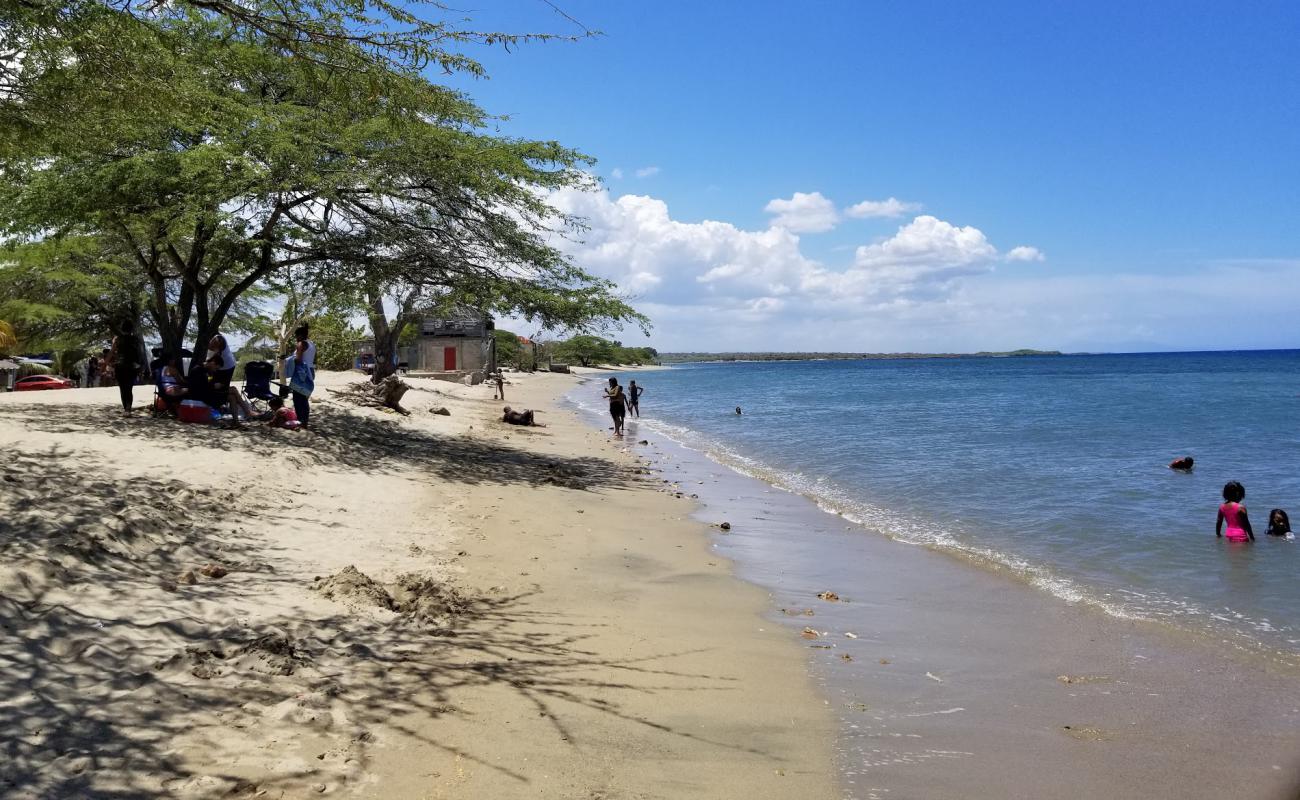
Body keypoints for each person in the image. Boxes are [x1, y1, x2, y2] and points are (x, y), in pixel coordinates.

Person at [285, 324, 316, 429]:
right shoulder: (311, 344)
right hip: (310, 371)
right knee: (304, 398)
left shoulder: (300, 344)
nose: (296, 338)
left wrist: (288, 360)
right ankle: (304, 421)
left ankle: (301, 422)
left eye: (296, 336)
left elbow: (298, 359)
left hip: (302, 373)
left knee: (298, 398)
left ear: (299, 335)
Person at [110, 322, 142, 414]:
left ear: (122, 329)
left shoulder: (117, 339)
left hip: (120, 366)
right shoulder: (136, 340)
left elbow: (112, 352)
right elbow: (139, 354)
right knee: (129, 388)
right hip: (132, 366)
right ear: (131, 329)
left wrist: (104, 365)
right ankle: (128, 408)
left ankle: (126, 409)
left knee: (122, 388)